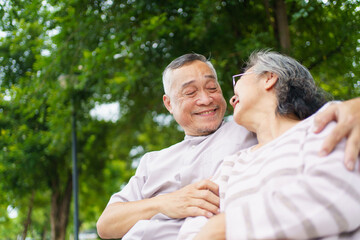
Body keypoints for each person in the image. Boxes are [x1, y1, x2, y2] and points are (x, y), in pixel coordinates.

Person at [96, 53, 360, 240]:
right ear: (168, 103)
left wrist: (353, 105)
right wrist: (167, 203)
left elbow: (304, 120)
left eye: (213, 87)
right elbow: (105, 225)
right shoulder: (152, 162)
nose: (206, 99)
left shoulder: (245, 127)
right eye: (190, 93)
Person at [177, 51, 360, 240]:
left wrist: (225, 228)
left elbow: (340, 193)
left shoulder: (326, 124)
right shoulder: (231, 165)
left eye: (238, 80)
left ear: (269, 78)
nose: (232, 99)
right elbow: (192, 230)